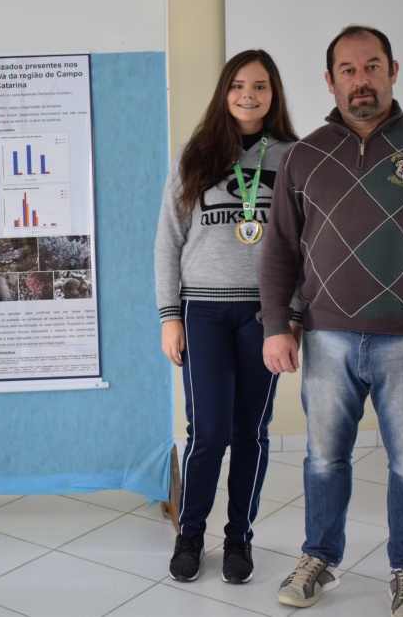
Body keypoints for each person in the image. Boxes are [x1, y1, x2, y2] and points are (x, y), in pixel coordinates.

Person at [259, 25, 403, 617]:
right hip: (326, 338)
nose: (361, 80)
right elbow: (280, 250)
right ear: (329, 80)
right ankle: (320, 558)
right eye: (348, 70)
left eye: (372, 66)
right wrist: (275, 324)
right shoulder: (304, 156)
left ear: (393, 70)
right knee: (323, 459)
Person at [155, 50, 300, 585]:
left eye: (259, 86)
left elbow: (306, 244)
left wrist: (292, 316)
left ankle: (239, 538)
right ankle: (191, 535)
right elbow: (167, 241)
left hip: (265, 314)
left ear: (273, 93)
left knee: (250, 431)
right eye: (238, 85)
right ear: (224, 92)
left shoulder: (294, 157)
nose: (248, 95)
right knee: (208, 432)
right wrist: (170, 316)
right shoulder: (195, 155)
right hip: (204, 313)